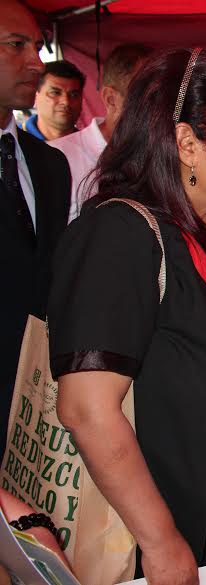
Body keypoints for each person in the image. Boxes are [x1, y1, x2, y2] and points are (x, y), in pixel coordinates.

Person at [47, 48, 206, 584]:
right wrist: (160, 542)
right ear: (187, 143)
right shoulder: (119, 237)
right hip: (176, 529)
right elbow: (87, 410)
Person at [0, 0, 70, 455]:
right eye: (16, 45)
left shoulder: (50, 164)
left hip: (33, 414)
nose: (35, 62)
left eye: (38, 46)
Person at [51, 43, 152, 223]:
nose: (156, 108)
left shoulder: (158, 154)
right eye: (145, 97)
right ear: (111, 99)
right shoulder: (57, 157)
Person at [24, 60, 84, 141]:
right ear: (35, 96)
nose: (66, 102)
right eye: (55, 93)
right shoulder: (13, 142)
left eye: (74, 95)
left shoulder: (93, 148)